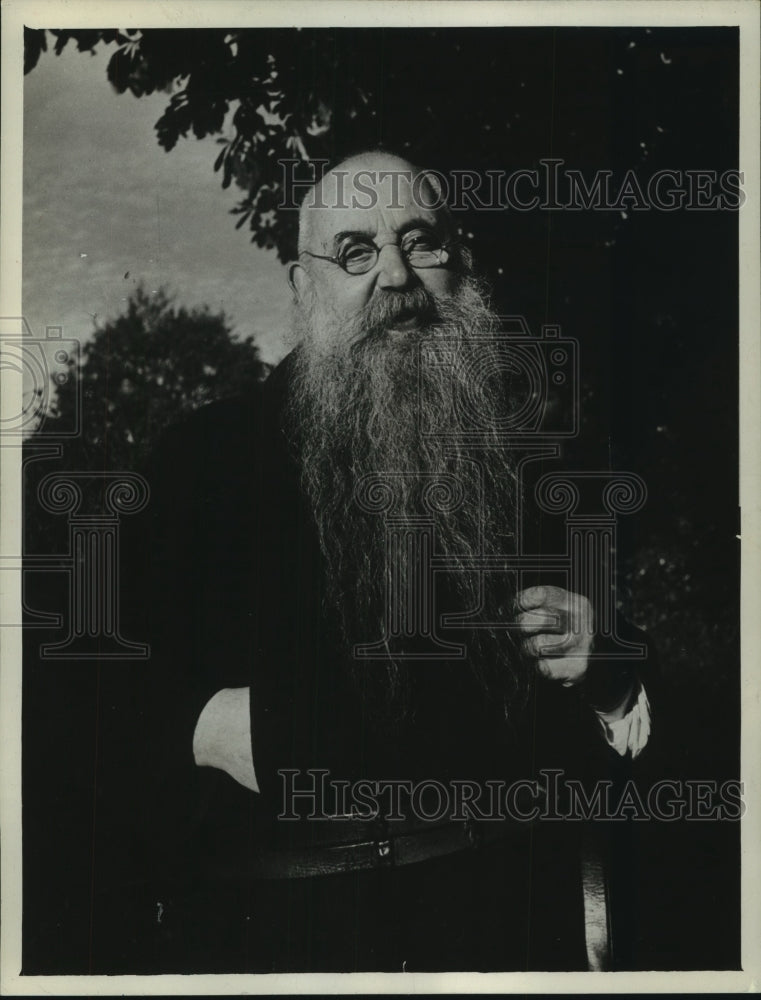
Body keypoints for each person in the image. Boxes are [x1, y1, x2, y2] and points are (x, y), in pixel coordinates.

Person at [102, 151, 658, 974]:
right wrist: (197, 723)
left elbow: (619, 714)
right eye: (355, 252)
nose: (395, 275)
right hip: (275, 941)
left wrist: (611, 673)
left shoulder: (539, 460)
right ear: (302, 287)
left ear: (455, 262)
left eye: (419, 241)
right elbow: (85, 694)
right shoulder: (199, 462)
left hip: (503, 930)